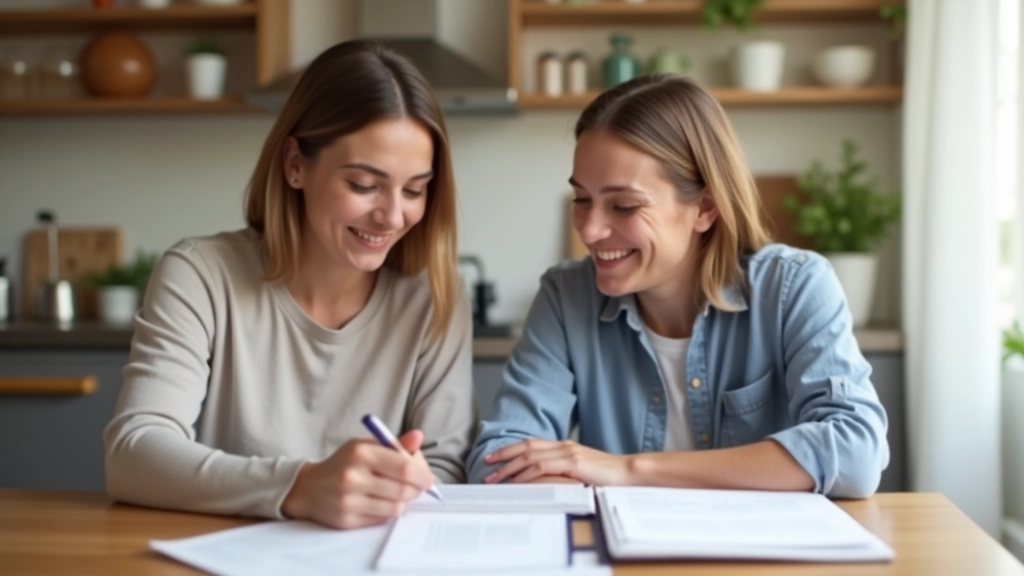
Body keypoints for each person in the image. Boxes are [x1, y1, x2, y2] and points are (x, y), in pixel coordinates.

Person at [104, 40, 475, 529]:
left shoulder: (433, 297)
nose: (392, 215)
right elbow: (133, 454)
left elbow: (444, 468)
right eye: (364, 185)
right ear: (295, 164)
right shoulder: (199, 275)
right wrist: (299, 487)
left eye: (414, 189)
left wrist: (410, 482)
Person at [467, 75, 888, 498]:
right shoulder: (565, 298)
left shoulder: (794, 288)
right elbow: (499, 458)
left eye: (624, 205)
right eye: (581, 200)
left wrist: (628, 470)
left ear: (704, 207)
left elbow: (856, 452)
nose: (590, 230)